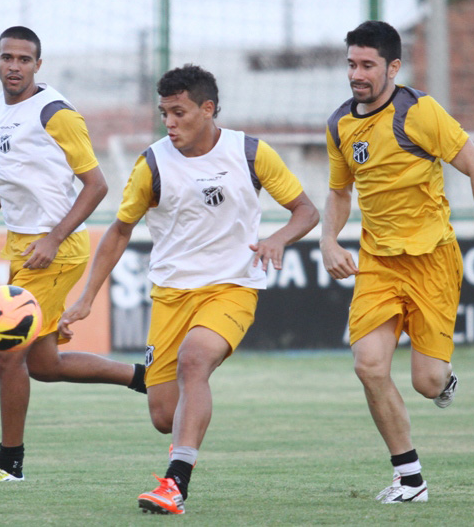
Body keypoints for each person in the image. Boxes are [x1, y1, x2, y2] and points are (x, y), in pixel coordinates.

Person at [58, 64, 319, 514]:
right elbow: (119, 232)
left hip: (232, 287)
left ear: (208, 109)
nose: (169, 122)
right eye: (164, 113)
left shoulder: (251, 153)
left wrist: (278, 238)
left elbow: (306, 211)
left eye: (178, 112)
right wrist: (85, 299)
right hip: (171, 295)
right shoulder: (153, 164)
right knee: (163, 416)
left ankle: (175, 483)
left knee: (194, 360)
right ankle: (164, 403)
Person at [320, 21, 474, 504]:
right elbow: (340, 193)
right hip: (378, 264)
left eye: (367, 65)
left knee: (426, 382)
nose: (356, 74)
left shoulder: (419, 112)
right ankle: (410, 479)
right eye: (351, 64)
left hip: (433, 261)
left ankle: (443, 380)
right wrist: (328, 240)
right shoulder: (340, 124)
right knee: (368, 366)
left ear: (393, 67)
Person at [0, 26, 146, 483]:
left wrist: (54, 238)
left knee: (5, 351)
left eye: (24, 59)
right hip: (21, 246)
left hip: (57, 250)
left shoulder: (55, 113)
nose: (14, 66)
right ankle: (143, 376)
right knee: (43, 365)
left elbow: (97, 185)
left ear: (38, 65)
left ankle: (9, 463)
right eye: (7, 57)